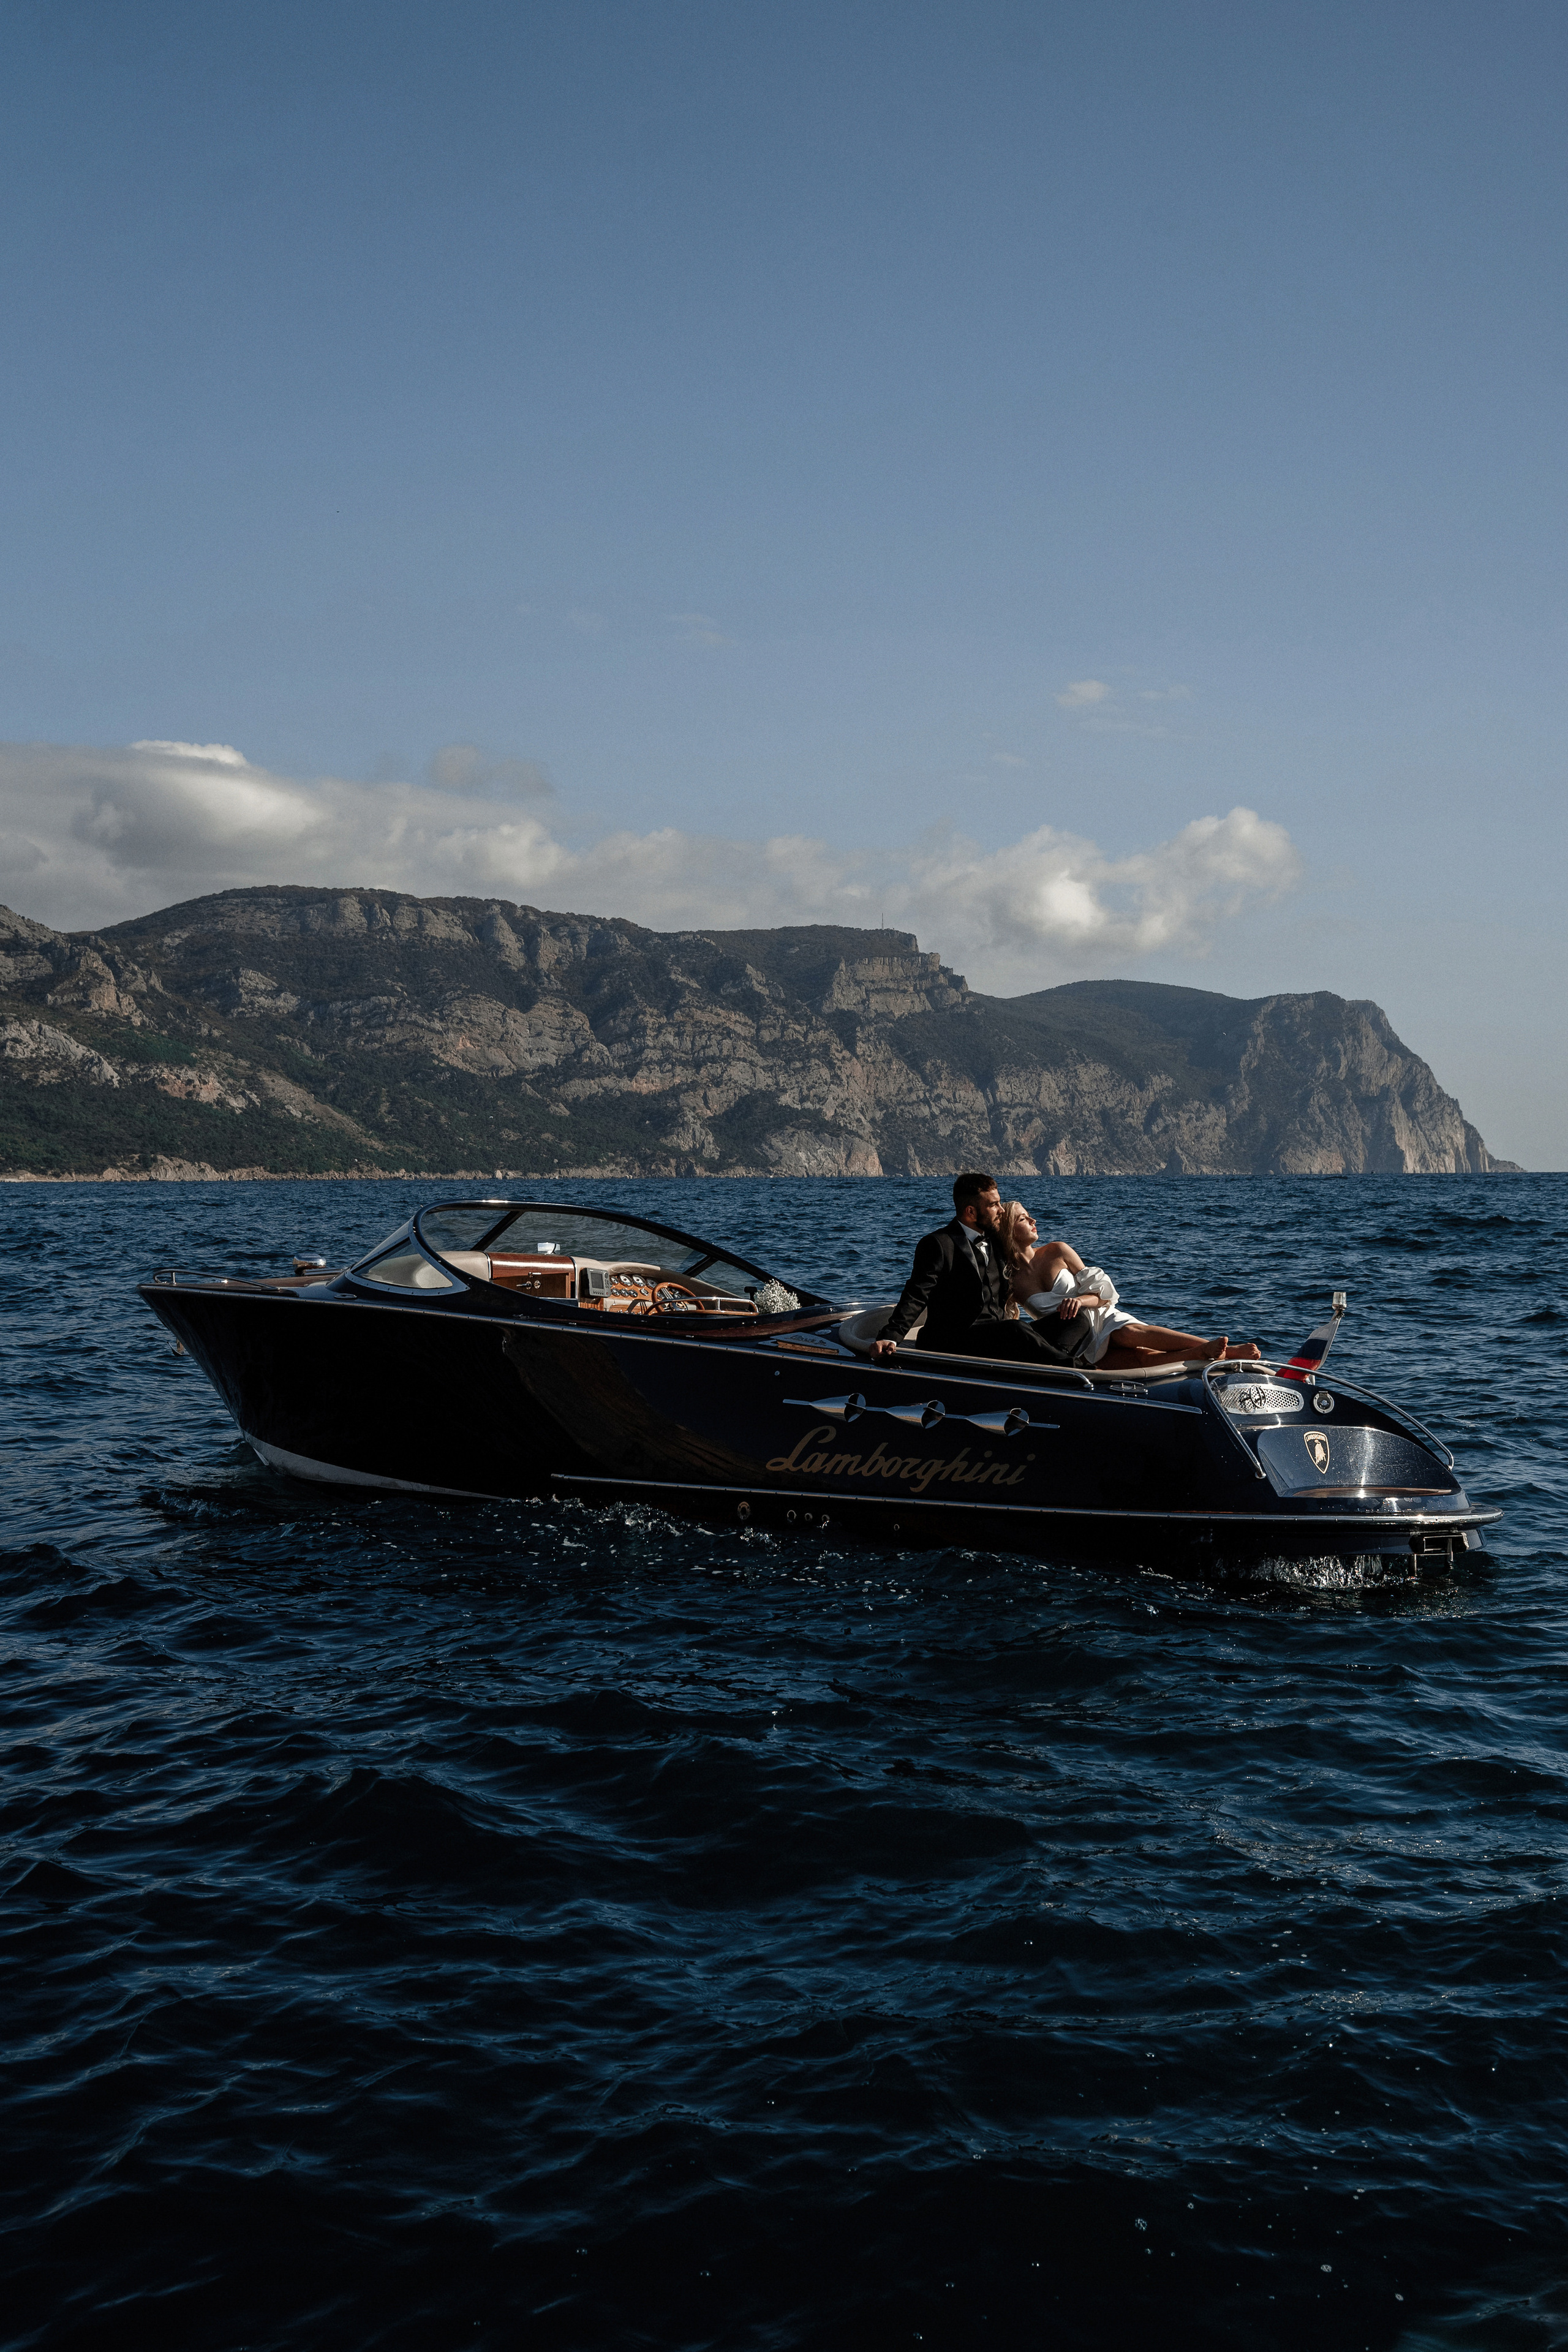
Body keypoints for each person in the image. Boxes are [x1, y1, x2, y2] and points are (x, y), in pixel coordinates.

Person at [996, 1200, 1261, 1370]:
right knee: (1140, 1361)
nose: (1033, 1221)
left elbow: (1103, 1292)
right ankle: (1201, 1353)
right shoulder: (1012, 1283)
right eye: (1023, 1218)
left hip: (1100, 1314)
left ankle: (1221, 1349)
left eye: (1030, 1215)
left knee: (1129, 1333)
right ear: (1009, 1230)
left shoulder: (1057, 1251)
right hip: (1074, 1341)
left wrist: (1080, 1301)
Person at [870, 1174, 1098, 1365]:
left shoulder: (996, 1241)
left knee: (1077, 1321)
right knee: (1016, 1330)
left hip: (998, 1336)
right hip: (955, 1340)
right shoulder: (939, 1244)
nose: (1001, 1210)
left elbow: (1024, 1247)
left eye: (999, 1202)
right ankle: (1071, 1369)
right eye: (993, 1205)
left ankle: (1044, 1366)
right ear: (970, 1212)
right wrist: (891, 1336)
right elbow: (916, 1294)